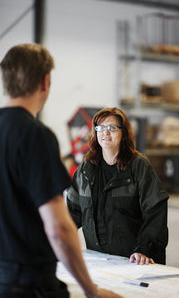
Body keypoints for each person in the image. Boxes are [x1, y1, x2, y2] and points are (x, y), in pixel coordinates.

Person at [0, 44, 123, 298]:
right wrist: (92, 291)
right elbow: (58, 227)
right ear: (45, 82)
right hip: (26, 285)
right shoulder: (35, 136)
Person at [66, 107, 169, 265]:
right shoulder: (86, 168)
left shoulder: (138, 166)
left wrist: (143, 249)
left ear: (124, 133)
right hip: (101, 260)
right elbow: (73, 212)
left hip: (136, 261)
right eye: (100, 128)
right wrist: (57, 238)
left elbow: (155, 213)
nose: (105, 133)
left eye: (112, 128)